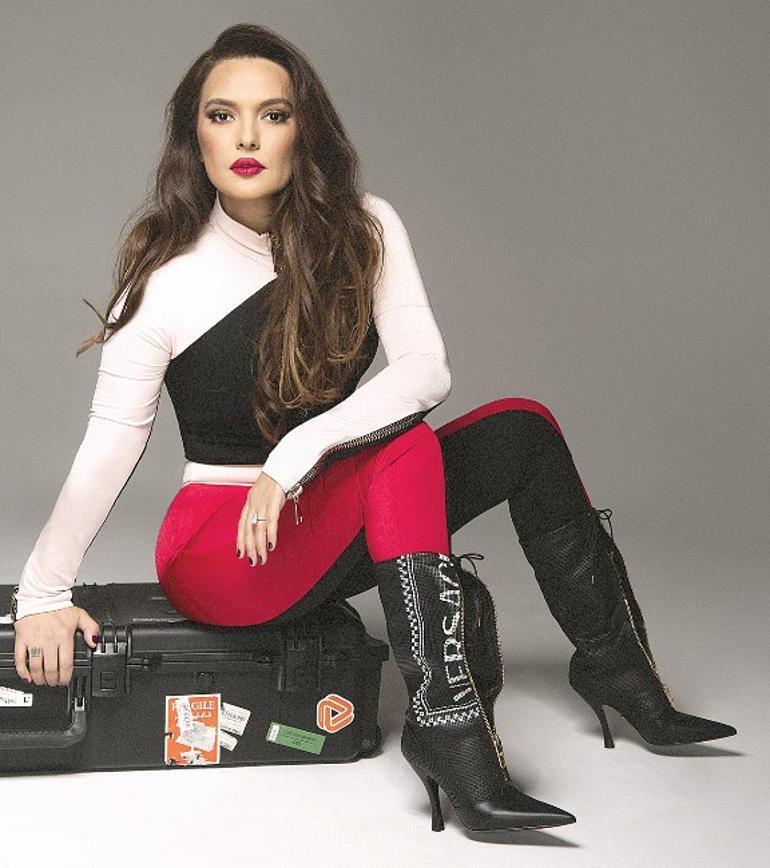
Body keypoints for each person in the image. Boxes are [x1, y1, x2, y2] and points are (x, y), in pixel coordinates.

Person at [11, 23, 736, 835]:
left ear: (303, 130)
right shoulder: (164, 284)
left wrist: (292, 456)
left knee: (523, 431)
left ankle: (616, 669)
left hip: (326, 503)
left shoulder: (365, 228)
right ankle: (448, 729)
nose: (247, 137)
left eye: (273, 114)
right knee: (402, 445)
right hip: (221, 548)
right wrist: (43, 593)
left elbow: (425, 371)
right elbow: (108, 447)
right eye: (222, 116)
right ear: (194, 136)